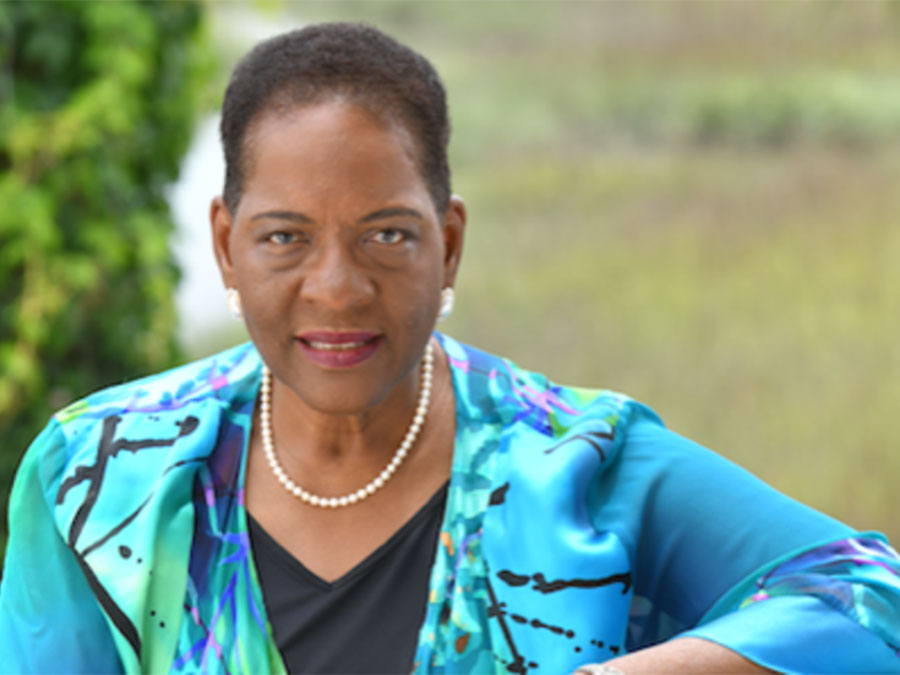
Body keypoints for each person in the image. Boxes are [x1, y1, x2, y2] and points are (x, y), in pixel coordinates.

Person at [1, 22, 898, 675]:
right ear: (226, 243)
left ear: (451, 242)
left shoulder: (568, 460)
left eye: (387, 235)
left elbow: (874, 599)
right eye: (284, 238)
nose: (337, 288)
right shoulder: (105, 477)